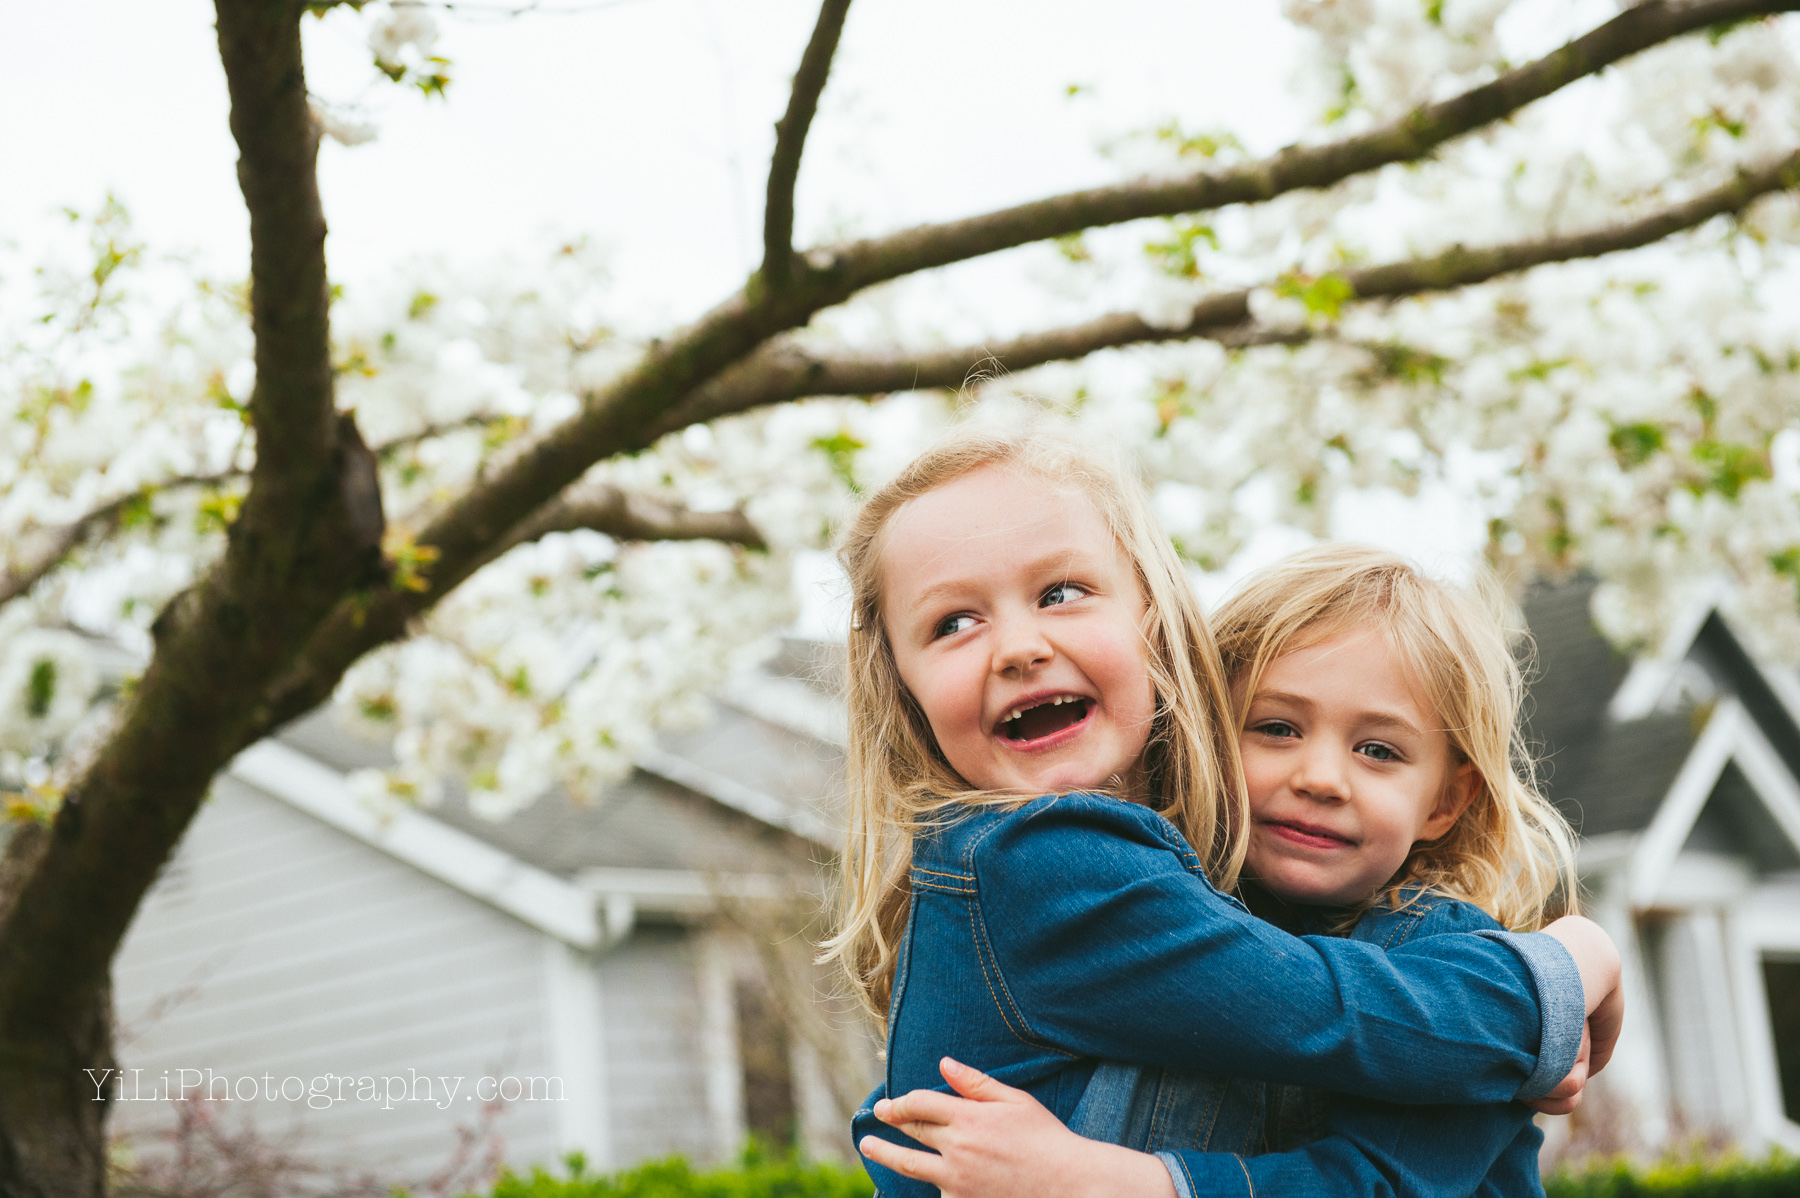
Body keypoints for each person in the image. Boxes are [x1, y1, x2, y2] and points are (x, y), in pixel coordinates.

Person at [821, 424, 1622, 1198]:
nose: (1019, 646)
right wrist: (1570, 966)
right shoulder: (1040, 860)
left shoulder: (1415, 944)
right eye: (954, 622)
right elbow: (1320, 1011)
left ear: (1153, 621)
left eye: (1061, 593)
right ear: (902, 685)